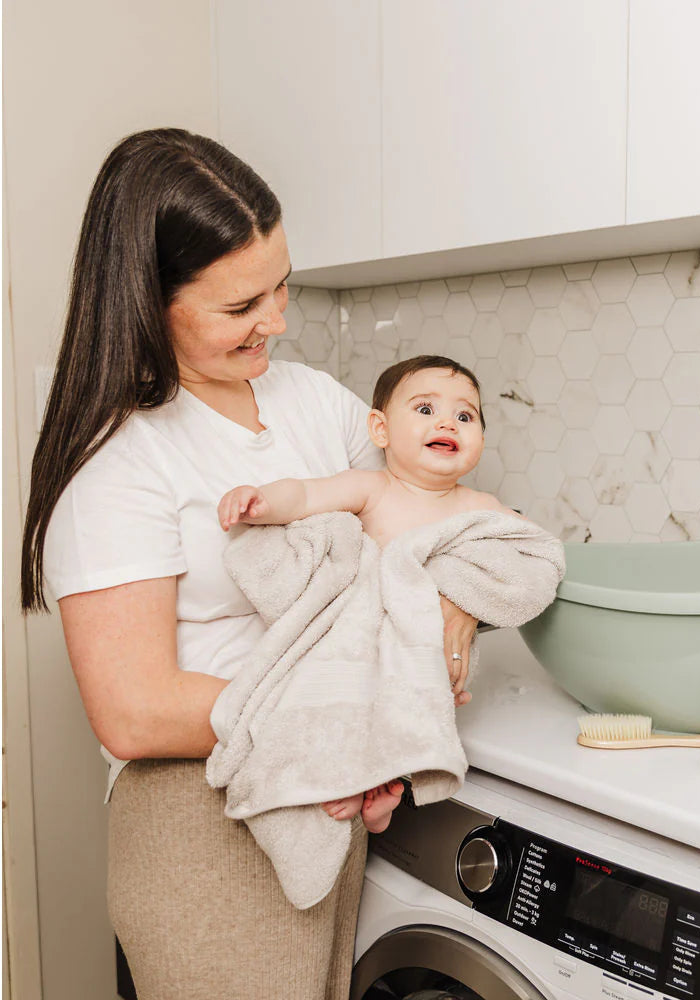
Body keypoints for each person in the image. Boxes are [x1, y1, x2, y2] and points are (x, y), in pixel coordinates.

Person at [19, 129, 481, 1000]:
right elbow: (134, 711)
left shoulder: (315, 403)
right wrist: (344, 723)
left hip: (325, 794)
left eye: (281, 287)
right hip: (202, 816)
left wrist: (454, 601)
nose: (276, 320)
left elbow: (422, 514)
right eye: (240, 308)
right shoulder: (118, 456)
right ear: (147, 301)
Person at [216, 354, 518, 835]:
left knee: (412, 713)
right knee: (347, 696)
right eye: (425, 409)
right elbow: (306, 496)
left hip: (433, 654)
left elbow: (520, 558)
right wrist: (263, 502)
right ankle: (359, 783)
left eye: (466, 416)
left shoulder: (481, 508)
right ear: (379, 429)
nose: (447, 422)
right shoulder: (372, 489)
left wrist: (474, 592)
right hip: (366, 644)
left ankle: (386, 786)